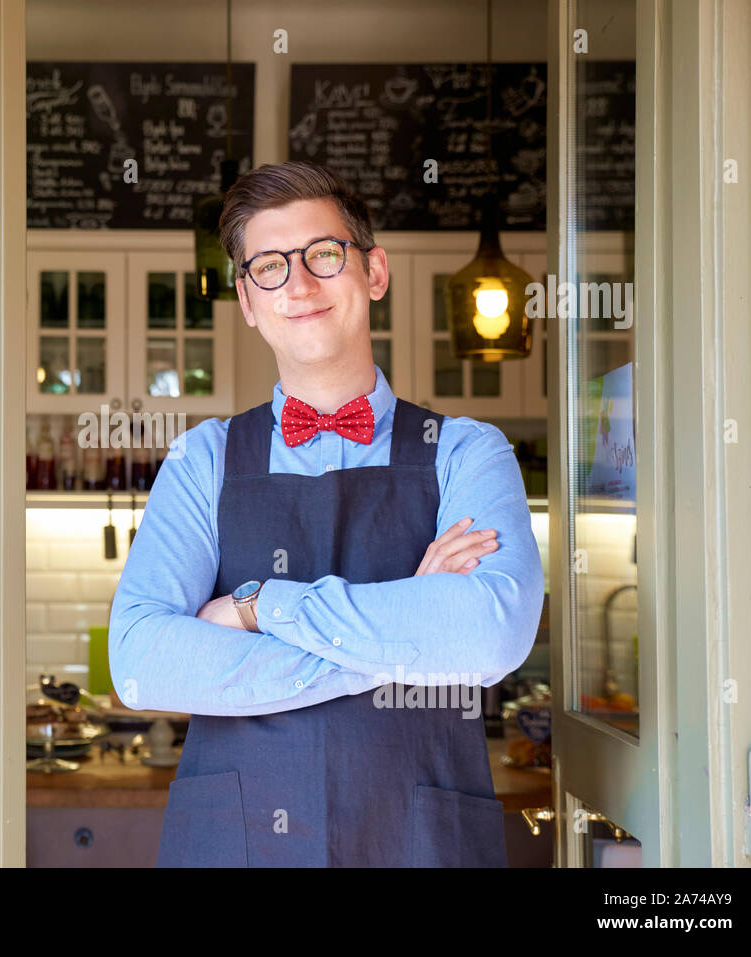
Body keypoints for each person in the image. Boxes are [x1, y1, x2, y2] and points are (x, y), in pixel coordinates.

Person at [108, 161, 544, 867]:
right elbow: (139, 664)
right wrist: (407, 637)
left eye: (323, 254)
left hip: (421, 842)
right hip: (239, 843)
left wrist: (255, 606)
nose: (301, 285)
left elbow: (490, 636)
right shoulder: (201, 460)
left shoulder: (467, 451)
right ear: (248, 300)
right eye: (270, 266)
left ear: (373, 271)